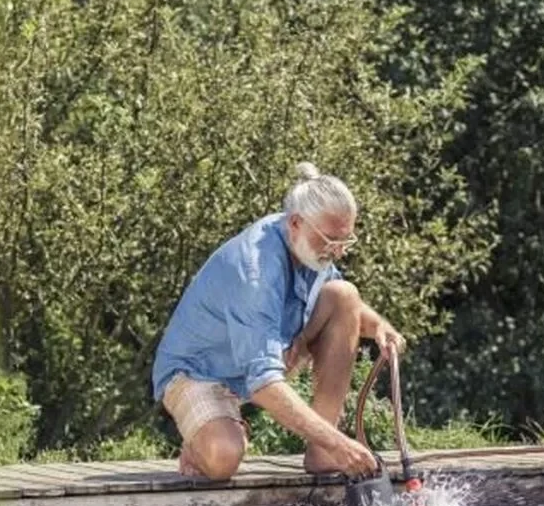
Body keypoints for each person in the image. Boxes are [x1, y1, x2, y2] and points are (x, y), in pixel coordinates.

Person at [152, 162, 407, 481]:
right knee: (223, 458)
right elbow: (263, 385)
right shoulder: (256, 272)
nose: (339, 252)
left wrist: (381, 327)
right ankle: (210, 439)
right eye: (331, 241)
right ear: (297, 223)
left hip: (259, 363)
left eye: (346, 241)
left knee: (344, 293)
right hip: (198, 372)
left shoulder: (307, 242)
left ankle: (322, 454)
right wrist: (342, 444)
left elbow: (344, 305)